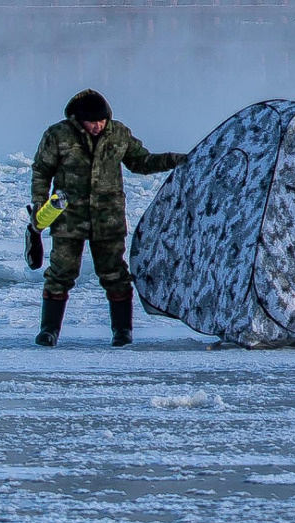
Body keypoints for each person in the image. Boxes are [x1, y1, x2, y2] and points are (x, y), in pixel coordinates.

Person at [29, 88, 186, 347]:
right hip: (68, 219)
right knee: (60, 274)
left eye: (101, 121)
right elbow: (41, 170)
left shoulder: (119, 133)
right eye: (92, 121)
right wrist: (39, 204)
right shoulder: (57, 135)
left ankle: (122, 332)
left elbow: (141, 162)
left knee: (115, 274)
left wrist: (175, 160)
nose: (98, 126)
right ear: (79, 119)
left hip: (108, 220)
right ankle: (49, 330)